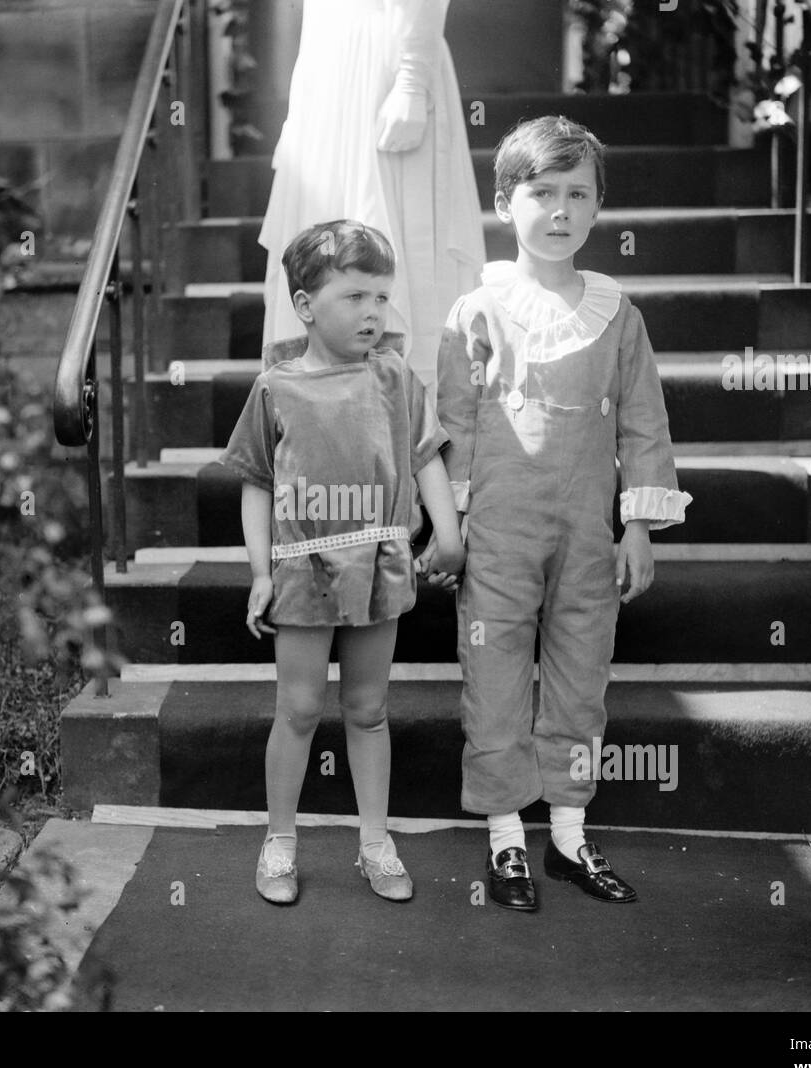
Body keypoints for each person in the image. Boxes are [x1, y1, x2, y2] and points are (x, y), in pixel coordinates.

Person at [430, 116, 693, 911]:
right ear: (505, 201)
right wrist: (453, 526)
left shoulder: (619, 315)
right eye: (542, 193)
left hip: (587, 530)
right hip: (501, 530)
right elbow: (457, 425)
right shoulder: (476, 311)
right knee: (496, 678)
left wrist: (639, 526)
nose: (560, 210)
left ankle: (570, 836)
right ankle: (506, 838)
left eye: (579, 194)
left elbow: (645, 423)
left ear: (598, 206)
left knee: (582, 676)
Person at [220, 219, 466, 905]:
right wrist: (262, 572)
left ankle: (376, 842)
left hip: (380, 562)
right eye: (355, 297)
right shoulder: (277, 387)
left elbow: (426, 458)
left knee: (369, 708)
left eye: (381, 299)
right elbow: (256, 482)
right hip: (302, 567)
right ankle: (279, 841)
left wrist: (446, 537)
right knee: (298, 709)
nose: (373, 313)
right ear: (305, 305)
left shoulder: (394, 379)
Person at [258, 0, 485, 387]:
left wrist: (412, 80)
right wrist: (299, 119)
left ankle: (406, 415)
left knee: (395, 240)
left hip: (384, 61)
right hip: (327, 68)